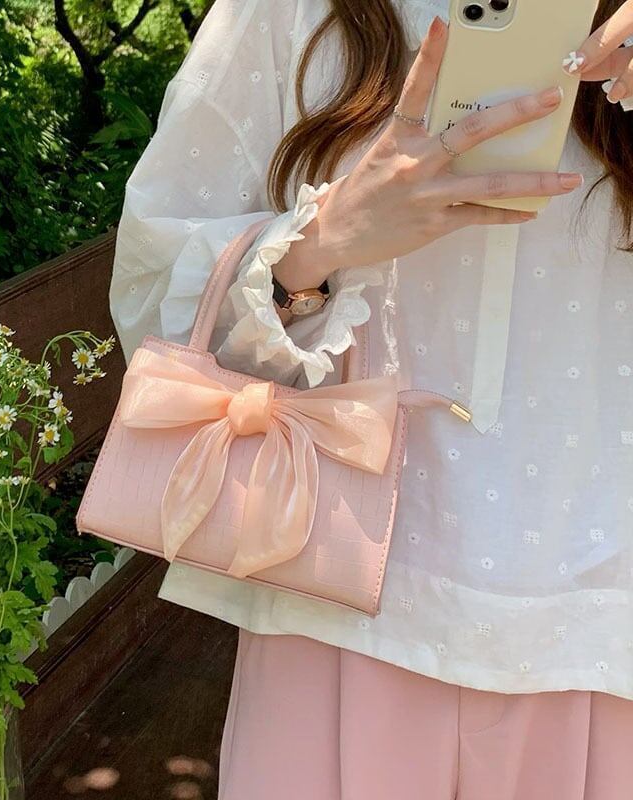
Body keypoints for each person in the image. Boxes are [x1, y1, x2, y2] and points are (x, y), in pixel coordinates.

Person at [108, 1, 633, 797]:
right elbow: (152, 287)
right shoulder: (287, 13)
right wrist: (318, 244)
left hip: (600, 623)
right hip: (337, 596)